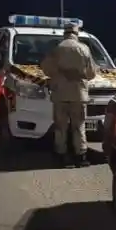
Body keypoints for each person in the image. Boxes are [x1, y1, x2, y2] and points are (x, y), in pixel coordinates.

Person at [41, 23, 97, 167]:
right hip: (79, 94)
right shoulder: (84, 49)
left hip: (60, 94)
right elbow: (91, 73)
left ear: (64, 33)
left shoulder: (57, 49)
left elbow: (46, 69)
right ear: (76, 33)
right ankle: (81, 156)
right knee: (79, 126)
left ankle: (62, 156)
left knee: (61, 126)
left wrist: (58, 75)